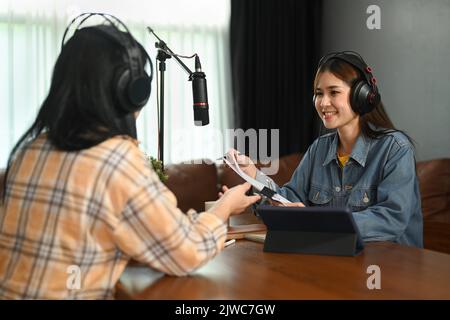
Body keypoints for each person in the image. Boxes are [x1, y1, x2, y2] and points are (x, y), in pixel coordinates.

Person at [0, 17, 260, 299]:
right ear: (130, 92)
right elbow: (188, 252)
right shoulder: (116, 161)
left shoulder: (29, 152)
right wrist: (224, 208)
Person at [228, 51, 423, 248]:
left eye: (334, 92)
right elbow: (289, 200)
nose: (323, 103)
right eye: (319, 93)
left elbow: (391, 219)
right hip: (339, 259)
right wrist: (253, 174)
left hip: (390, 267)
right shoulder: (319, 149)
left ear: (362, 96)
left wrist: (316, 222)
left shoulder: (395, 149)